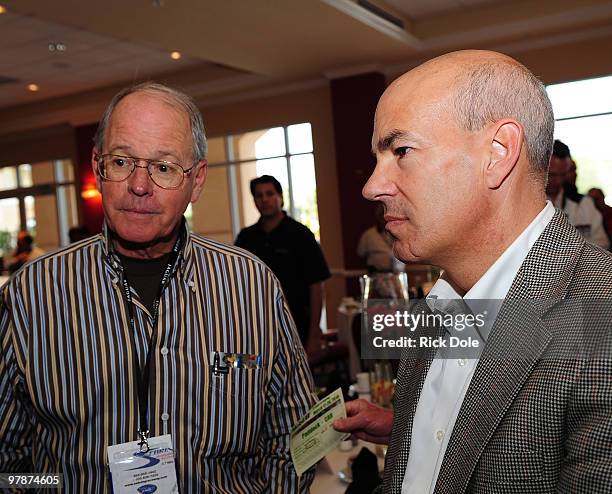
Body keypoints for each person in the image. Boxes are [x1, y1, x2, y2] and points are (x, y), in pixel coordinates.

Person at [0, 82, 315, 493]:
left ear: (196, 181)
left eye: (164, 167)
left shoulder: (251, 286)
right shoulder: (32, 295)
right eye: (121, 161)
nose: (139, 186)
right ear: (98, 167)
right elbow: (8, 459)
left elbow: (296, 436)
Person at [333, 50, 612, 492]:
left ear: (498, 153)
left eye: (401, 151)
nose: (371, 186)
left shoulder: (601, 318)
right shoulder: (437, 309)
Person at [235, 175, 331, 356]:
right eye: (258, 195)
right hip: (257, 330)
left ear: (280, 197)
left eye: (269, 194)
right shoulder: (246, 238)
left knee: (300, 382)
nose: (264, 199)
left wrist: (313, 336)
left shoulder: (301, 235)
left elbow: (317, 286)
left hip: (298, 327)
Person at [546, 139, 609, 249]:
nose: (558, 181)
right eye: (552, 175)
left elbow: (603, 243)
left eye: (563, 174)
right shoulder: (527, 204)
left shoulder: (584, 203)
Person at [357, 202, 404, 272]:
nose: (384, 219)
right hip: (375, 274)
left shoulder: (397, 232)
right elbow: (360, 252)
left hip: (395, 273)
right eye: (382, 216)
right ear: (378, 217)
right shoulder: (368, 234)